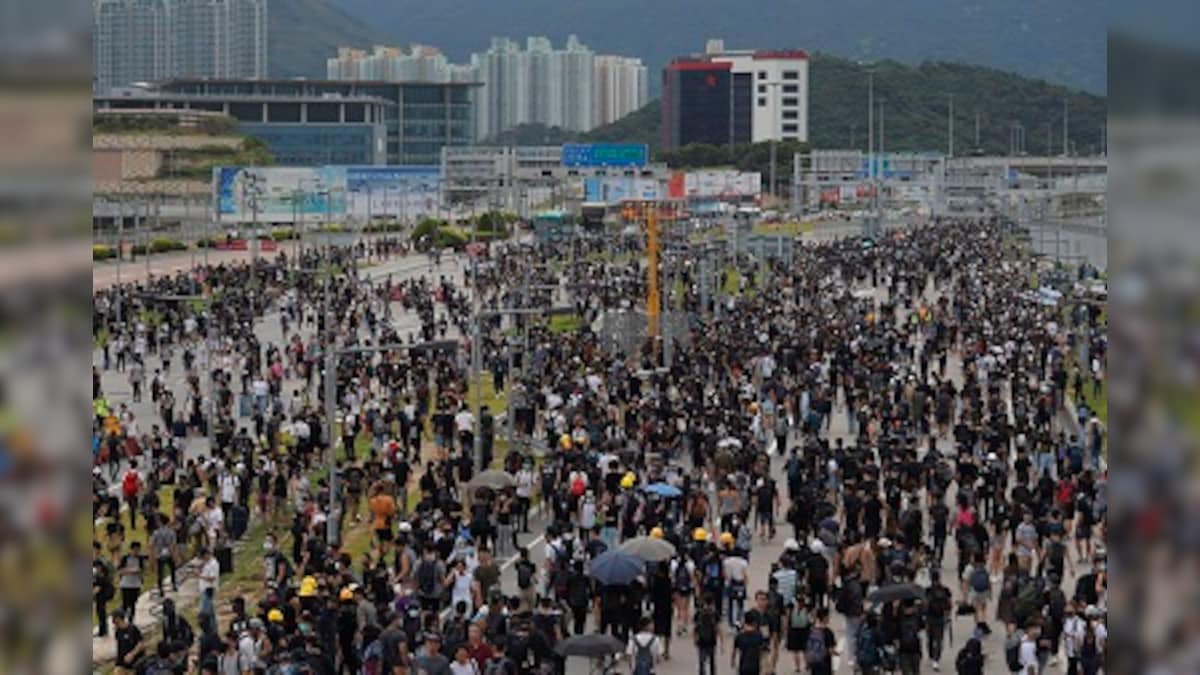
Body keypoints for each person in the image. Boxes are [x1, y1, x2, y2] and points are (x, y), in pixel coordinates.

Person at [694, 594, 721, 675]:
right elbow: (717, 628)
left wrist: (695, 639)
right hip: (711, 640)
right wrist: (721, 641)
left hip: (701, 640)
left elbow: (695, 628)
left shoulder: (699, 612)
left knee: (701, 661)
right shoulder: (715, 613)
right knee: (712, 660)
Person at [805, 607, 837, 675]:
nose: (829, 618)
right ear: (824, 617)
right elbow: (830, 650)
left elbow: (807, 647)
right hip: (824, 662)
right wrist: (836, 653)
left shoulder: (811, 630)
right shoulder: (828, 632)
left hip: (813, 662)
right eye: (828, 616)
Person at [112, 610, 145, 675]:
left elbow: (141, 644)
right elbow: (120, 648)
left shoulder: (132, 629)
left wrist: (132, 654)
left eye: (114, 619)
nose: (113, 622)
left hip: (135, 662)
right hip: (123, 663)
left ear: (119, 619)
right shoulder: (117, 632)